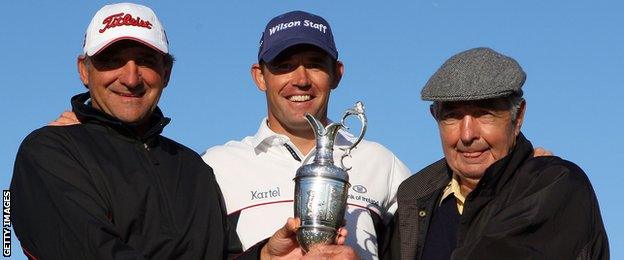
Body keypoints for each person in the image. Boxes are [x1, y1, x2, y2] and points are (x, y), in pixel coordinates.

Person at [11, 3, 355, 259]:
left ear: (167, 72)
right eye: (112, 59)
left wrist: (264, 257)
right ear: (84, 70)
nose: (130, 77)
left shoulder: (194, 169)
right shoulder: (49, 152)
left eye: (145, 61)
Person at [201, 10, 412, 259]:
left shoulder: (383, 164)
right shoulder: (215, 166)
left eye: (314, 64)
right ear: (260, 76)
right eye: (284, 66)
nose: (301, 80)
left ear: (336, 74)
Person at [382, 47, 609, 259]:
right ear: (435, 117)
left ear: (518, 116)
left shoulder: (556, 185)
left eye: (484, 114)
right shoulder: (414, 199)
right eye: (453, 116)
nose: (467, 134)